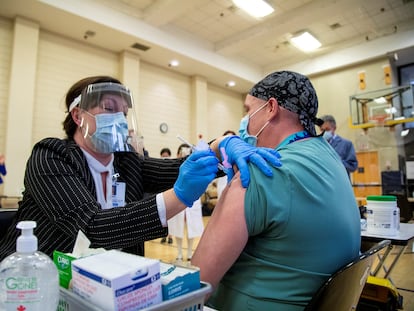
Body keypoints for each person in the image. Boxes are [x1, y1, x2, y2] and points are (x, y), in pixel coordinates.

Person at [0, 75, 282, 261]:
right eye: (109, 108)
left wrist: (223, 145)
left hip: (108, 279)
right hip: (35, 281)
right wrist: (179, 197)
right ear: (78, 115)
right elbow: (92, 228)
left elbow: (180, 167)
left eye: (123, 113)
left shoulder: (125, 161)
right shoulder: (51, 155)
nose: (119, 120)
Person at [192, 71, 361, 310]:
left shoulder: (260, 172)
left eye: (248, 110)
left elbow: (195, 286)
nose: (245, 121)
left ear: (271, 108)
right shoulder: (332, 159)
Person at [168, 144, 204, 261]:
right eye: (181, 152)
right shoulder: (174, 167)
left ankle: (189, 253)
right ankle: (179, 252)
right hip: (178, 198)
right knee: (178, 227)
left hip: (193, 199)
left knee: (191, 228)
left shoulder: (195, 166)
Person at [159, 147, 173, 244]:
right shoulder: (159, 166)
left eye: (166, 156)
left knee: (171, 217)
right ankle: (164, 235)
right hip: (162, 194)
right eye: (163, 156)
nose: (165, 158)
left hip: (170, 194)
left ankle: (170, 235)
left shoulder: (172, 166)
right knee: (163, 217)